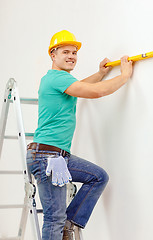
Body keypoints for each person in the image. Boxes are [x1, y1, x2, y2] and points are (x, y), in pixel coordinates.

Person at [26, 30, 133, 240]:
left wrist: (101, 74)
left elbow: (83, 85)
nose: (72, 56)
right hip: (47, 156)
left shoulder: (61, 81)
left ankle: (70, 223)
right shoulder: (56, 78)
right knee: (53, 218)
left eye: (74, 52)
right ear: (52, 55)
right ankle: (63, 224)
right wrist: (124, 76)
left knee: (98, 177)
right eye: (66, 51)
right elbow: (95, 92)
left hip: (57, 156)